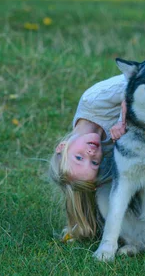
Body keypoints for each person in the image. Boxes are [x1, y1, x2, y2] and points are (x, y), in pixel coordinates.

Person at [49, 74, 127, 242]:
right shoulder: (108, 150)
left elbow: (139, 79)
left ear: (62, 146)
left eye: (78, 157)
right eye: (94, 163)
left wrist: (123, 120)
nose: (90, 154)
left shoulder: (92, 100)